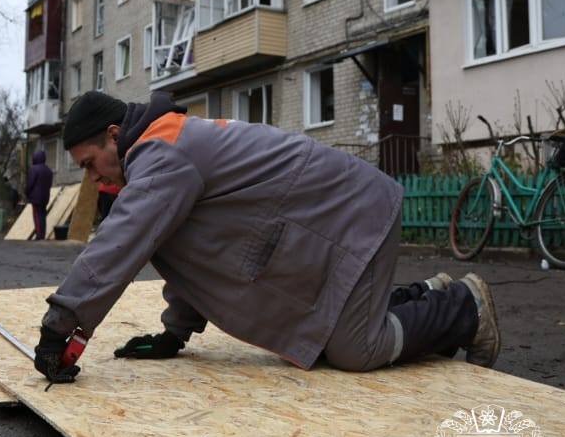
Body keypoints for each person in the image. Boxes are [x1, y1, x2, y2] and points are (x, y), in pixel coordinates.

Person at [29, 90, 500, 386]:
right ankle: (429, 295)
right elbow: (193, 257)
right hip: (333, 219)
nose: (91, 178)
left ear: (114, 135)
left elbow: (119, 245)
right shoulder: (163, 151)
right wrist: (175, 333)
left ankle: (464, 308)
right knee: (336, 336)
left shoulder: (161, 152)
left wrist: (60, 327)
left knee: (357, 350)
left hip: (355, 211)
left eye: (90, 163)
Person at [25, 150, 54, 241]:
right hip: (45, 196)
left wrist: (26, 192)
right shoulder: (48, 170)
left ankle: (39, 235)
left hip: (36, 197)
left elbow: (30, 183)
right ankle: (42, 234)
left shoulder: (34, 169)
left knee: (37, 216)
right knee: (42, 216)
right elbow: (49, 184)